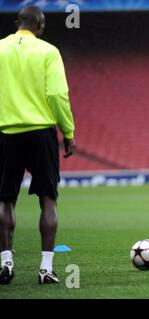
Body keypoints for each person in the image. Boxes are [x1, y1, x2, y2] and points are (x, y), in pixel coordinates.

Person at [0, 6, 76, 284]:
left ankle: (5, 264)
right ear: (40, 27)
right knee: (48, 199)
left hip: (6, 131)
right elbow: (57, 93)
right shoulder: (48, 51)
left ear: (17, 23)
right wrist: (67, 132)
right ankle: (45, 269)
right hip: (41, 132)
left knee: (5, 199)